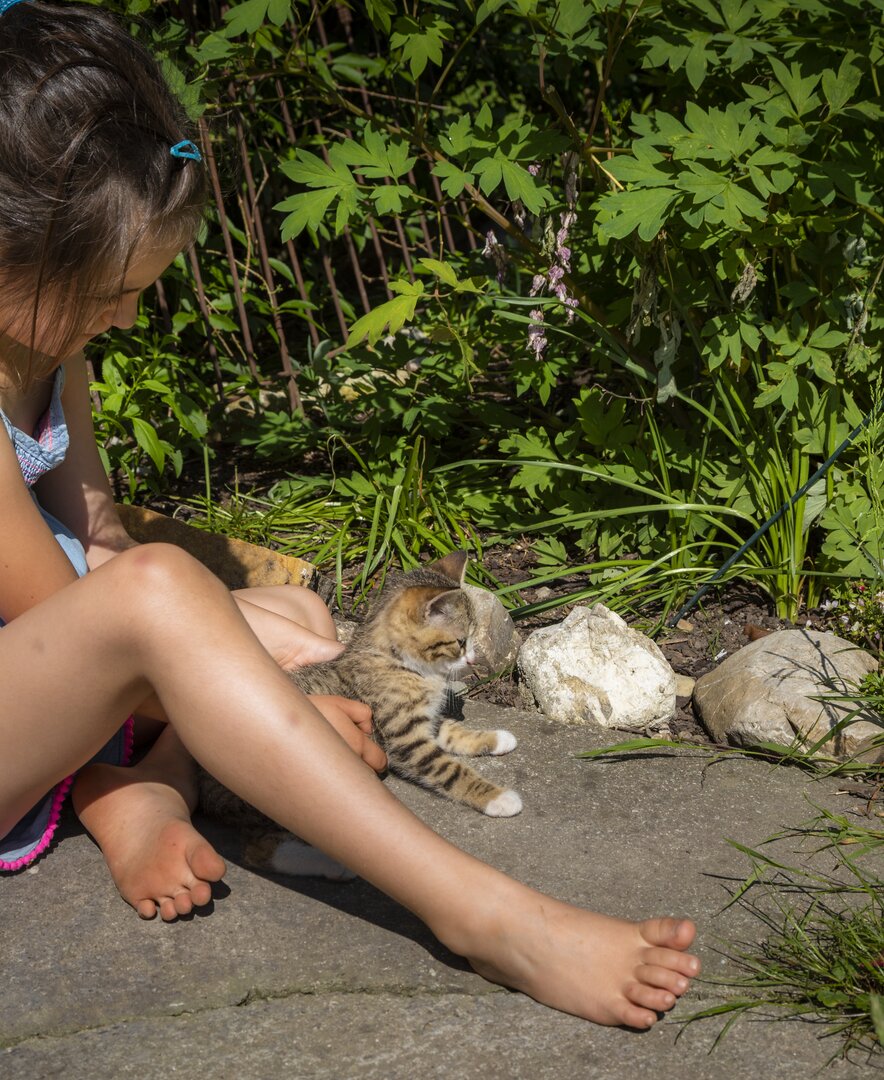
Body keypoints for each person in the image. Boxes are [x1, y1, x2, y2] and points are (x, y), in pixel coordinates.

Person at [0, 0, 699, 1029]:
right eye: (111, 289)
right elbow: (98, 609)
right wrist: (256, 707)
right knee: (184, 606)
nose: (129, 316)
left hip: (41, 661)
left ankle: (135, 791)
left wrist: (256, 669)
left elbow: (97, 537)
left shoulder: (46, 342)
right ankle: (481, 914)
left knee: (304, 626)